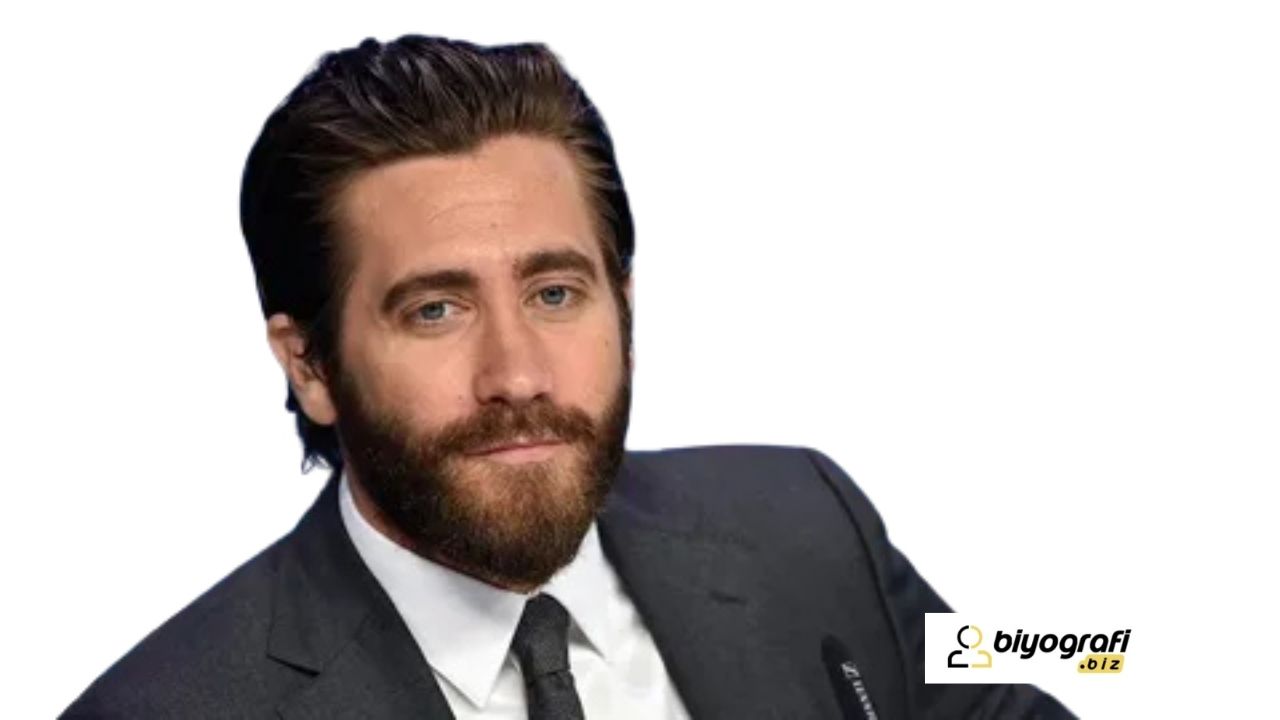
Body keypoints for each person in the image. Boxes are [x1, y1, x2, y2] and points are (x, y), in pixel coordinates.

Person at [62, 34, 1072, 719]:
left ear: (623, 306)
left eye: (554, 293)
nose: (517, 374)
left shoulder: (801, 518)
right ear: (310, 364)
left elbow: (1009, 663)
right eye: (435, 310)